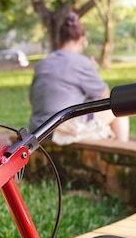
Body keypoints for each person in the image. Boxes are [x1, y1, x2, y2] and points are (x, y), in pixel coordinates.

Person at [28, 13, 129, 145]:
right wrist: (92, 69)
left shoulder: (42, 63)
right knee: (120, 109)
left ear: (59, 39)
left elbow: (31, 101)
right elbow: (107, 98)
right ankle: (121, 152)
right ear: (82, 40)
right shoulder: (82, 63)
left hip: (38, 128)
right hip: (61, 128)